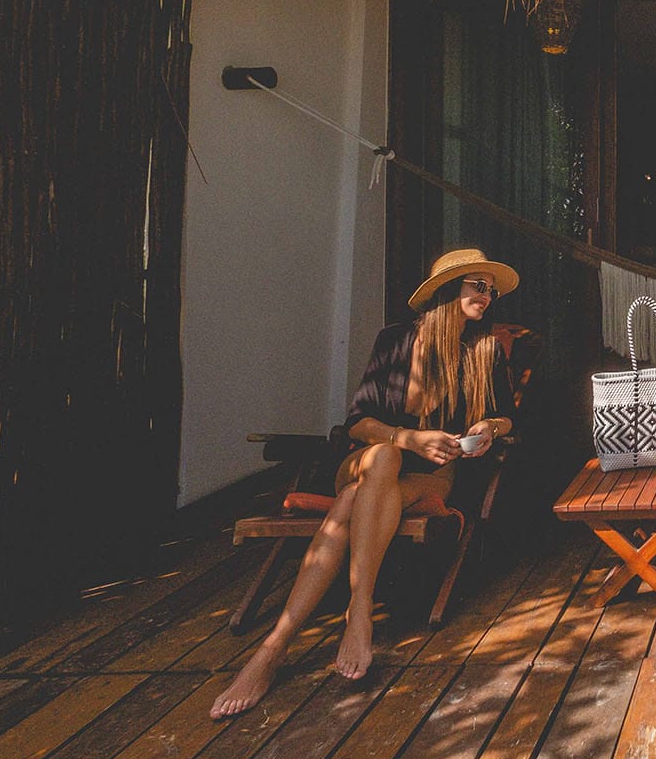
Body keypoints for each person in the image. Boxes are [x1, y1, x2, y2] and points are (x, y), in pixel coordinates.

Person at [211, 249, 519, 719]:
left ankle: (271, 650)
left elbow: (504, 417)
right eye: (477, 285)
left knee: (352, 503)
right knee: (384, 457)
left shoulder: (484, 351)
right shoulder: (395, 342)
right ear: (445, 292)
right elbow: (357, 424)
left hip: (433, 476)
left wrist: (488, 429)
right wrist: (408, 438)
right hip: (368, 459)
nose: (487, 295)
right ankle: (361, 610)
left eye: (490, 288)